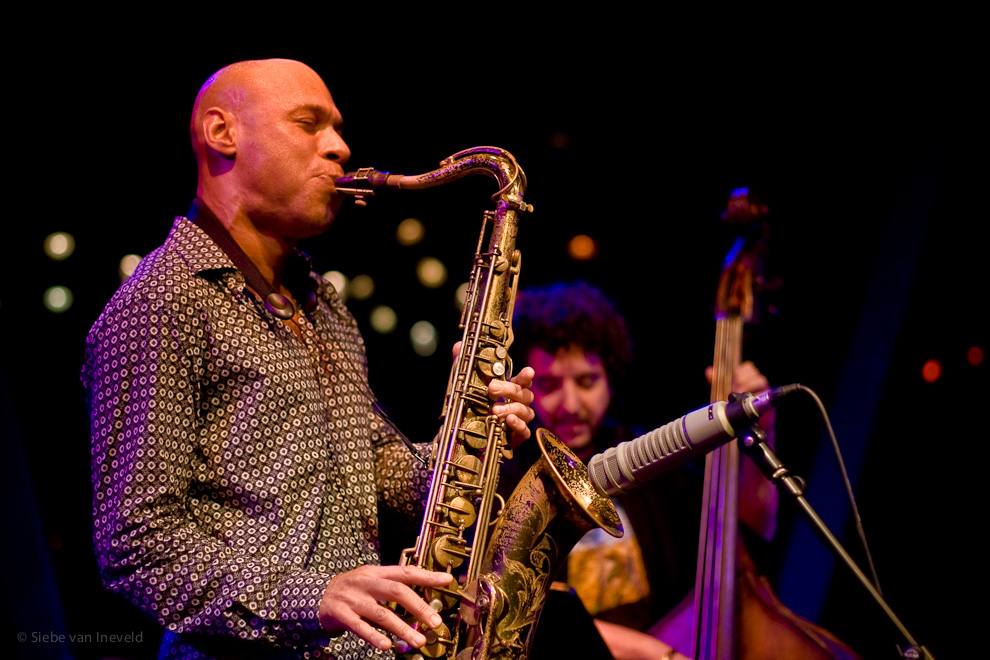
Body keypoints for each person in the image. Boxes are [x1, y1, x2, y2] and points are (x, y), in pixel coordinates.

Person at [82, 59, 535, 660]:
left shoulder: (326, 305)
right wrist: (307, 598)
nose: (341, 148)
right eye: (308, 124)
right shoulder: (160, 301)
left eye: (339, 129)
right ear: (222, 134)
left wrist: (476, 441)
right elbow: (135, 546)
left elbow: (376, 477)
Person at [504, 281, 773, 660]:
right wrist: (651, 652)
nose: (570, 404)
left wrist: (766, 425)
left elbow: (754, 526)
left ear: (610, 378)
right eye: (548, 384)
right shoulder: (510, 472)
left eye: (586, 381)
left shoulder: (643, 454)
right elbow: (516, 609)